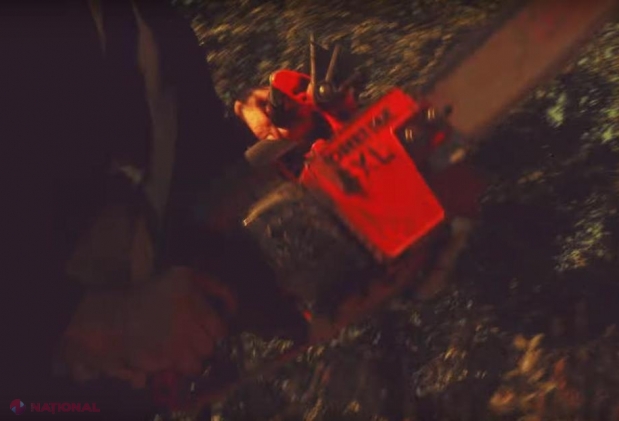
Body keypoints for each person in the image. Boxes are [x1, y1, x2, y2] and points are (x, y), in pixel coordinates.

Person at [1, 0, 304, 417]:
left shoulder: (157, 27)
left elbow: (180, 186)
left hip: (123, 398)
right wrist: (96, 319)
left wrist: (254, 142)